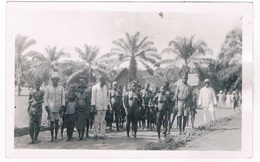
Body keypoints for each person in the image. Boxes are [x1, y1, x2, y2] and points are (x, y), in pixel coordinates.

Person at [44, 71, 66, 142]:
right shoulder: (48, 88)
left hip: (58, 108)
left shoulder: (61, 88)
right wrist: (46, 106)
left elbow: (63, 98)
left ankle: (56, 136)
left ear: (58, 80)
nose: (55, 81)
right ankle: (52, 137)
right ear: (51, 80)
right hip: (51, 108)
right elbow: (45, 98)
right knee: (51, 123)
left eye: (56, 79)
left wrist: (62, 107)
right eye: (53, 79)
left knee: (57, 123)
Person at [91, 75, 109, 140]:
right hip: (97, 107)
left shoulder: (105, 87)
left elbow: (106, 97)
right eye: (102, 80)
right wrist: (93, 106)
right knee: (96, 121)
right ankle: (95, 134)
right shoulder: (94, 87)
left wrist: (107, 105)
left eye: (104, 80)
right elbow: (93, 98)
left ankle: (102, 134)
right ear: (99, 80)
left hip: (104, 107)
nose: (103, 81)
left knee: (103, 121)